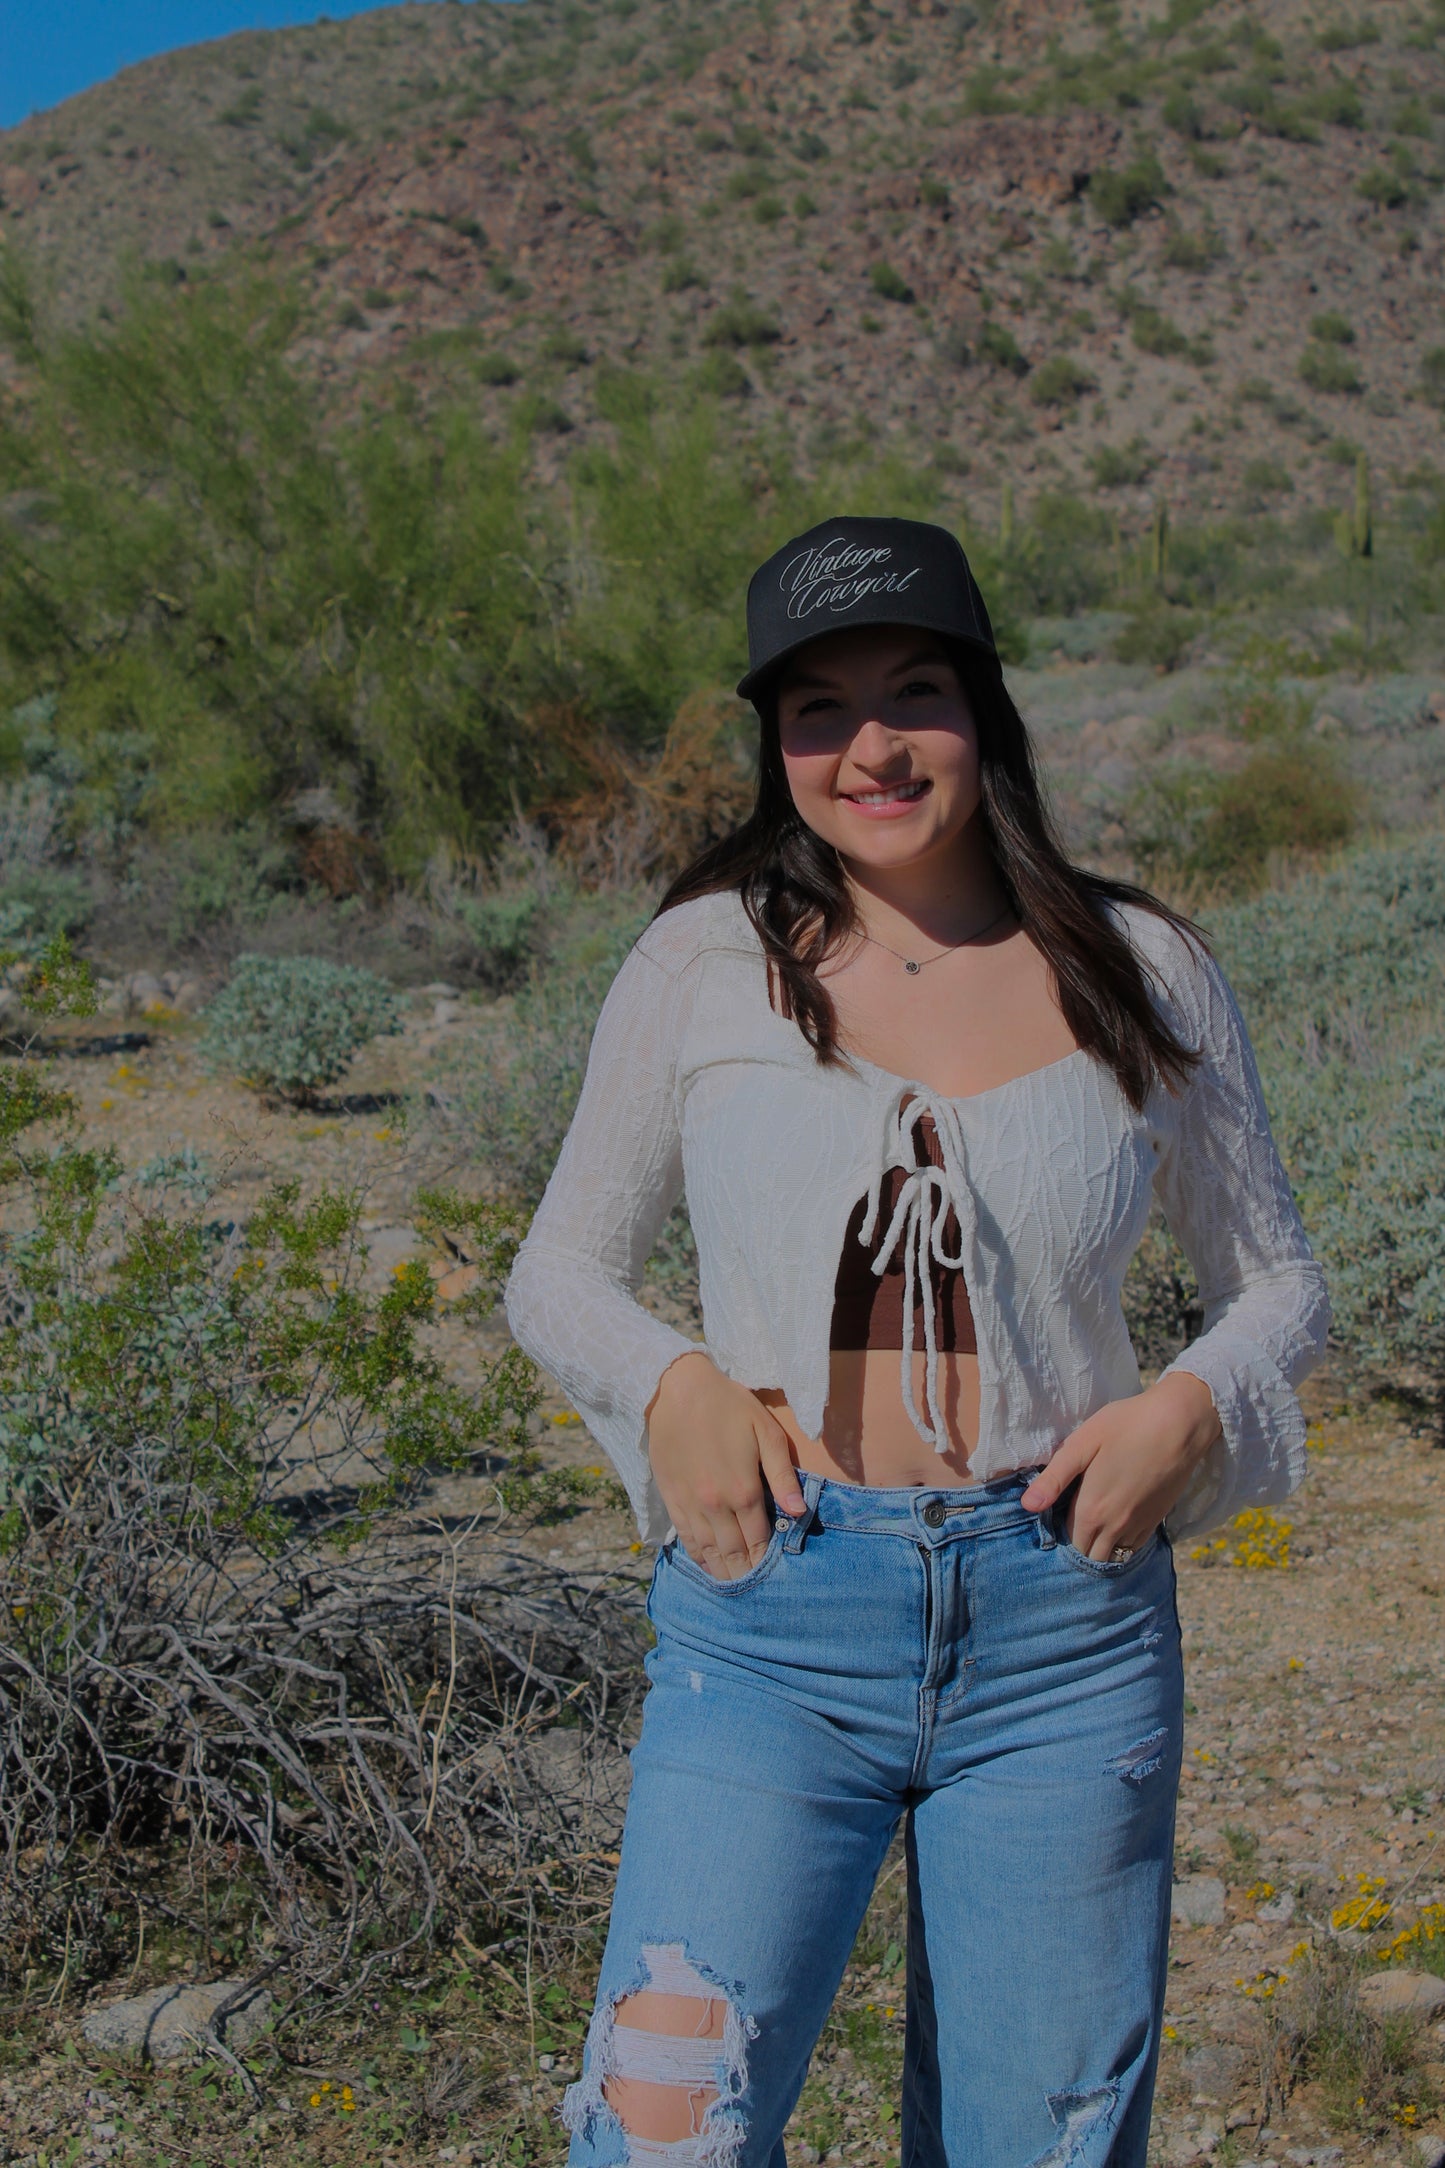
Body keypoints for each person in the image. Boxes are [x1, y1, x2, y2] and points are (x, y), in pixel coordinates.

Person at [503, 516, 1329, 2168]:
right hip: (769, 1629)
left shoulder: (1139, 966)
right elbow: (560, 1271)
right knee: (661, 2130)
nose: (866, 747)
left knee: (1041, 2145)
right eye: (814, 708)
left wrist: (1193, 1400)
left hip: (1062, 1636)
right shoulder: (701, 962)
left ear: (984, 712)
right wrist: (667, 1381)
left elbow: (1278, 1281)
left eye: (912, 692)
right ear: (773, 743)